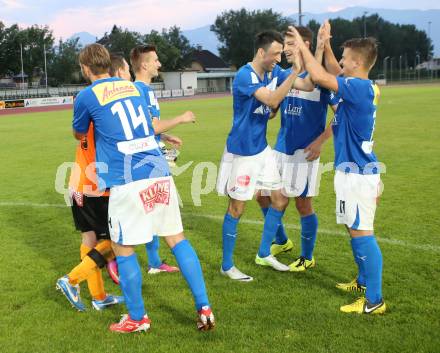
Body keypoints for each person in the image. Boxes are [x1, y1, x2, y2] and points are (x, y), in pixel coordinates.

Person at [72, 44, 215, 332]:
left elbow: (79, 132)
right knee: (177, 239)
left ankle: (138, 318)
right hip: (159, 172)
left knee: (123, 249)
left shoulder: (86, 95)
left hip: (126, 179)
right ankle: (204, 307)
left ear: (86, 68)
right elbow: (148, 126)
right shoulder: (134, 88)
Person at [288, 24, 386, 314]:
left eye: (345, 59)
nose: (340, 63)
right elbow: (333, 70)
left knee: (362, 232)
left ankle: (374, 300)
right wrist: (326, 44)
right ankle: (363, 280)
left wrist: (302, 45)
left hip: (358, 174)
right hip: (350, 171)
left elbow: (320, 75)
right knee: (353, 228)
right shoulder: (359, 86)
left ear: (357, 63)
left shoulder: (358, 88)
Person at [216, 30, 314, 281]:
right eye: (275, 54)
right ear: (261, 52)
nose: (278, 58)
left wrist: (306, 57)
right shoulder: (244, 75)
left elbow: (307, 84)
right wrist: (293, 72)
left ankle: (263, 253)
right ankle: (227, 266)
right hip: (242, 152)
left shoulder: (274, 72)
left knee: (280, 198)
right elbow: (271, 100)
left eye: (281, 53)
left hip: (261, 149)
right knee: (237, 207)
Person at [256, 25, 339, 272]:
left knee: (303, 205)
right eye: (285, 44)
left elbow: (342, 115)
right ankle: (281, 241)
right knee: (261, 195)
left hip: (305, 152)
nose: (286, 49)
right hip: (281, 147)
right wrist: (271, 110)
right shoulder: (283, 73)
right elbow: (274, 109)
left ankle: (307, 256)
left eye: (291, 44)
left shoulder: (322, 77)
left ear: (306, 45)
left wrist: (320, 141)